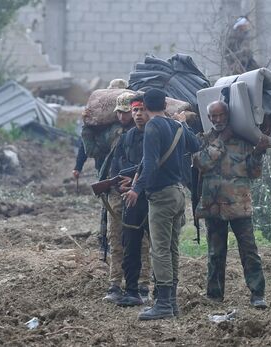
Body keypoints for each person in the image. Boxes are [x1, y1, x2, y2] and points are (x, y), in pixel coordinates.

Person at [123, 88, 200, 320]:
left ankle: (164, 303)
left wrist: (136, 189)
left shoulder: (153, 127)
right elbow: (196, 145)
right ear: (166, 104)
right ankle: (172, 302)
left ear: (145, 107)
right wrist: (184, 123)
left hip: (162, 196)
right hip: (178, 193)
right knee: (172, 248)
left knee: (159, 250)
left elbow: (151, 163)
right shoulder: (177, 126)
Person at [192, 100, 270, 309]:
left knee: (249, 251)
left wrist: (259, 152)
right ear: (208, 118)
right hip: (213, 206)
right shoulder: (204, 139)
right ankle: (214, 296)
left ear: (228, 115)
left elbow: (253, 173)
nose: (218, 120)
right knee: (215, 253)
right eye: (213, 116)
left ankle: (257, 294)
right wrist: (221, 141)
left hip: (239, 205)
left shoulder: (243, 140)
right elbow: (202, 163)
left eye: (221, 115)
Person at [109, 94, 152, 306]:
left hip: (153, 196)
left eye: (142, 110)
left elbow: (154, 165)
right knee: (129, 242)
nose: (138, 115)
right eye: (134, 110)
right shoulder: (126, 138)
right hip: (131, 198)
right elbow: (117, 166)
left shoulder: (157, 135)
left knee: (154, 244)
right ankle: (131, 290)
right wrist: (122, 184)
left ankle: (154, 289)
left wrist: (135, 180)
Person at [101, 91, 136, 304]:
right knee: (115, 238)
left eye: (126, 112)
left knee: (139, 239)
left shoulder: (144, 133)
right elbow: (92, 148)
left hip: (136, 190)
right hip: (115, 191)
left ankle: (140, 283)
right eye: (119, 113)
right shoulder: (113, 133)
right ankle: (115, 283)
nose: (122, 117)